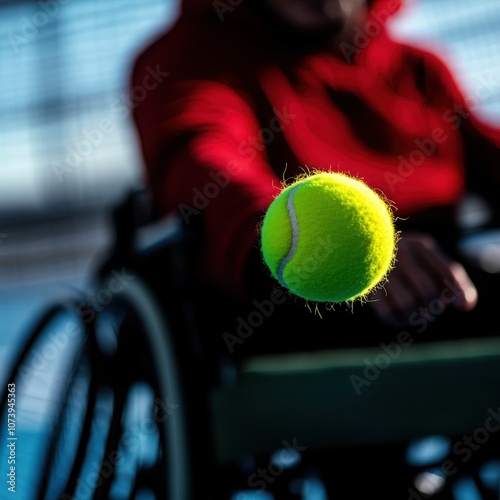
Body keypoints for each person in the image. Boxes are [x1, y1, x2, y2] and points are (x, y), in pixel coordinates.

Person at [129, 0, 500, 496]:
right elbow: (207, 162)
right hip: (288, 312)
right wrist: (340, 253)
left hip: (445, 294)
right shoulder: (190, 55)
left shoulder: (420, 68)